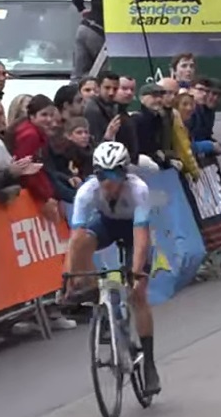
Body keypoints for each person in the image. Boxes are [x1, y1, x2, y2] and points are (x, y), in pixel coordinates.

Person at [63, 141, 161, 395]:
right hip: (107, 224)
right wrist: (69, 277)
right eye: (102, 175)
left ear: (125, 173)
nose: (108, 181)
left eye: (115, 174)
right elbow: (75, 240)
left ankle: (149, 363)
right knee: (83, 241)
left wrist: (137, 273)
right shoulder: (86, 192)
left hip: (133, 232)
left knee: (138, 294)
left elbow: (141, 238)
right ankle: (95, 294)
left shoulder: (138, 190)